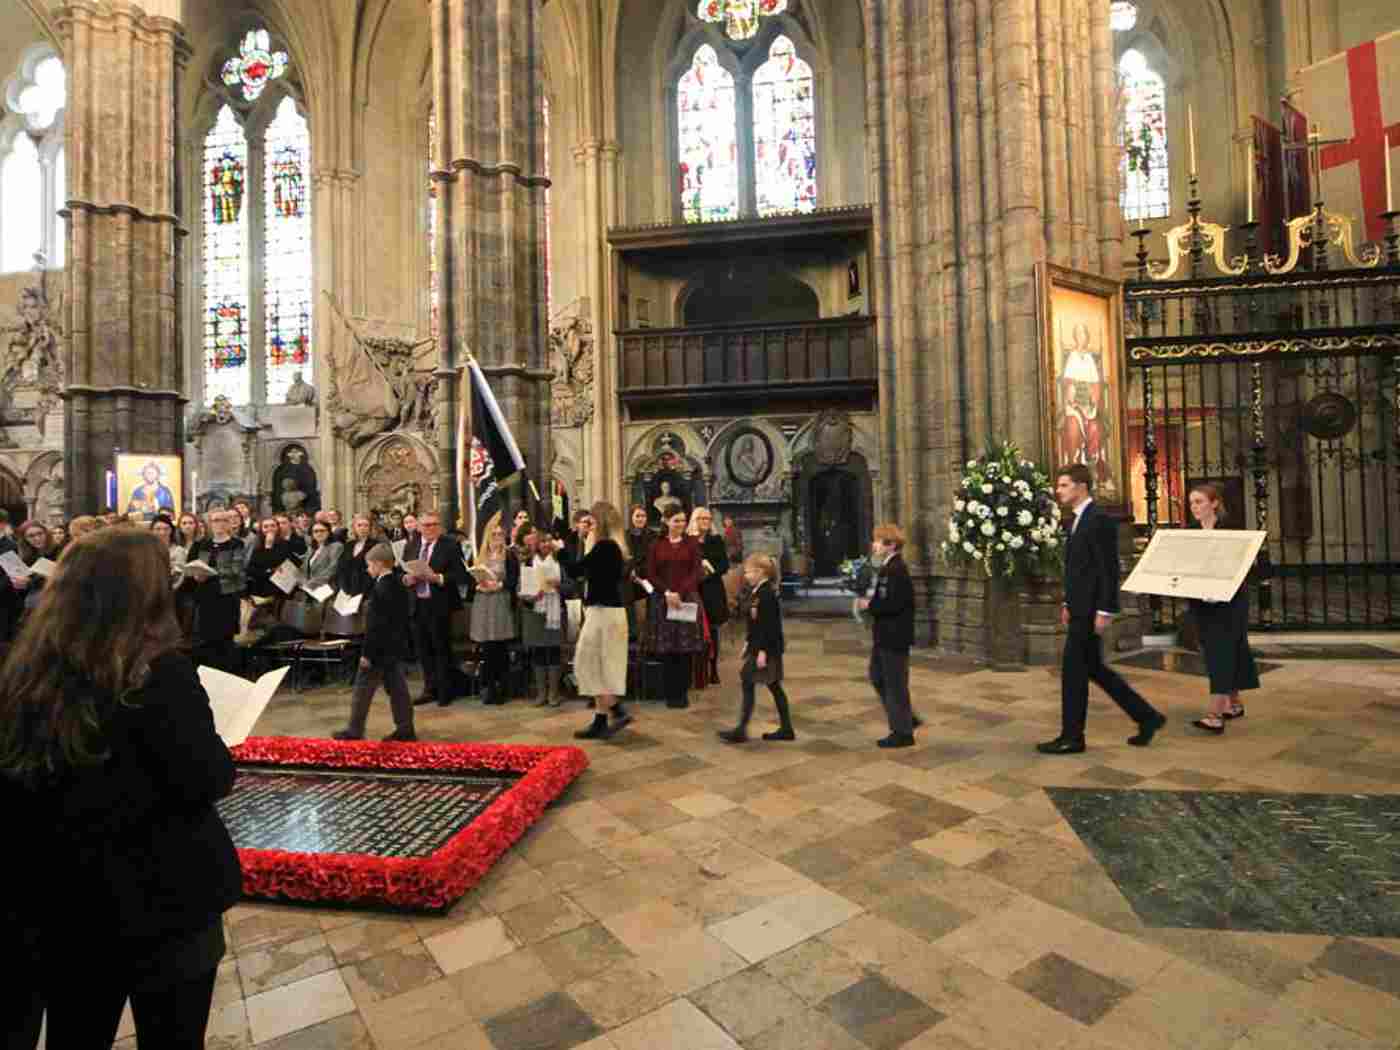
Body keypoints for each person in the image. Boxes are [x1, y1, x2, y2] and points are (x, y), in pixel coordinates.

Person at [0, 527, 240, 1048]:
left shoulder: (25, 670)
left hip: (63, 902)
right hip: (164, 901)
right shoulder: (160, 674)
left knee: (76, 1035)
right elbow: (205, 777)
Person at [1038, 464, 1165, 754]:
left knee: (1073, 672)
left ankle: (1072, 737)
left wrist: (1106, 610)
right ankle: (1147, 717)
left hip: (1092, 609)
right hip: (1080, 607)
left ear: (1081, 487)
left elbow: (1108, 570)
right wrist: (1068, 602)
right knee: (1093, 668)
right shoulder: (1078, 520)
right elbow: (1078, 570)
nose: (1058, 491)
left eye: (1064, 485)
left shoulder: (1099, 520)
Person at [1186, 483, 1259, 734]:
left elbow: (1243, 565)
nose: (1194, 507)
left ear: (1214, 503)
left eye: (1199, 502)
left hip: (1229, 604)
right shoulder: (1190, 532)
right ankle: (1234, 704)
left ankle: (1215, 715)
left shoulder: (1230, 530)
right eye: (1192, 502)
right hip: (1203, 605)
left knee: (1221, 653)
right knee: (1227, 651)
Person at [333, 544, 416, 742]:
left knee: (362, 690)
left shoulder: (382, 588)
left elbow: (376, 627)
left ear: (379, 564)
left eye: (369, 565)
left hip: (378, 650)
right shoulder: (396, 584)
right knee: (398, 690)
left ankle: (354, 730)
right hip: (394, 647)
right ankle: (405, 729)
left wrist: (367, 654)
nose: (368, 569)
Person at [567, 502, 632, 739]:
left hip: (604, 613)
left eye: (592, 521)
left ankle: (616, 709)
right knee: (595, 665)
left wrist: (561, 548)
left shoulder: (606, 547)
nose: (588, 525)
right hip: (604, 612)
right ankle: (602, 719)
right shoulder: (608, 547)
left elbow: (575, 570)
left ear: (600, 523)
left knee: (586, 663)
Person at [857, 524, 922, 748]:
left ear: (891, 545)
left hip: (894, 635)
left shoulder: (896, 569)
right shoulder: (886, 567)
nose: (874, 545)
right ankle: (906, 718)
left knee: (894, 683)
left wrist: (869, 605)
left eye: (878, 541)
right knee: (878, 676)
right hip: (884, 634)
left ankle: (902, 732)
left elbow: (893, 603)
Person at [719, 553, 794, 744]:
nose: (746, 575)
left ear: (760, 572)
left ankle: (742, 730)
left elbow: (769, 626)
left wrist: (762, 652)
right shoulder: (759, 591)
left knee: (756, 682)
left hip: (766, 649)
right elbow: (755, 623)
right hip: (760, 647)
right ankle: (785, 728)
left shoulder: (766, 594)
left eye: (748, 572)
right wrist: (748, 642)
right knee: (771, 685)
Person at [642, 508, 705, 708]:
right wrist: (668, 592)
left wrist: (679, 591)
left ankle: (683, 692)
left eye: (683, 521)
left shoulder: (692, 544)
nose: (680, 524)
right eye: (676, 521)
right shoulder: (656, 545)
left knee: (685, 648)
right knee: (668, 648)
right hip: (664, 600)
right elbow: (650, 574)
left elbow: (696, 572)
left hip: (686, 599)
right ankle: (670, 692)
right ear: (666, 521)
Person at [405, 512, 465, 707]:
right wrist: (406, 579)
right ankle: (429, 689)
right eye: (426, 525)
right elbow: (402, 571)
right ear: (419, 527)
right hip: (417, 603)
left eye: (434, 524)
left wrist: (437, 578)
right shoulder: (412, 545)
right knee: (423, 650)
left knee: (441, 648)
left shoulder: (450, 544)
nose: (430, 528)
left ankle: (445, 691)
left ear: (439, 526)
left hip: (440, 603)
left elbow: (460, 574)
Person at [182, 510, 246, 672]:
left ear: (229, 523)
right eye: (216, 520)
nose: (220, 524)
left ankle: (227, 676)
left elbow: (236, 570)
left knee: (225, 640)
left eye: (224, 520)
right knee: (205, 639)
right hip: (205, 598)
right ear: (210, 524)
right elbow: (190, 567)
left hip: (226, 598)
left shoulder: (236, 544)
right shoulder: (201, 544)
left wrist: (212, 573)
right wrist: (196, 576)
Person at [468, 520, 519, 706]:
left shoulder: (510, 556)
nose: (497, 538)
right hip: (483, 602)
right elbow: (471, 577)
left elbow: (514, 579)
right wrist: (478, 584)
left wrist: (499, 585)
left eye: (500, 534)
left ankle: (502, 688)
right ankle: (488, 687)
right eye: (494, 534)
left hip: (500, 601)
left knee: (500, 647)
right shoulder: (480, 555)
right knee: (487, 647)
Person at [519, 528, 568, 707]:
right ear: (536, 544)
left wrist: (559, 585)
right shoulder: (529, 563)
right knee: (539, 653)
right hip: (535, 613)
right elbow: (520, 589)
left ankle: (554, 694)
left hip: (555, 612)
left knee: (554, 652)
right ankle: (541, 694)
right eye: (542, 541)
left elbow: (572, 587)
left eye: (549, 541)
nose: (546, 544)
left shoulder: (560, 563)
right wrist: (530, 596)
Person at [688, 506, 730, 687]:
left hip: (712, 589)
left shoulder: (716, 540)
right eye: (701, 518)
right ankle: (697, 670)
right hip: (693, 589)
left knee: (712, 630)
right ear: (694, 520)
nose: (705, 521)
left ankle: (713, 669)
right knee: (693, 629)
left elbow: (724, 565)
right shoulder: (688, 541)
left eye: (708, 518)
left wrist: (709, 573)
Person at [625, 504, 656, 634]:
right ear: (631, 518)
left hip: (647, 576)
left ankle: (650, 632)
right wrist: (630, 572)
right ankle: (631, 633)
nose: (640, 519)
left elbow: (653, 559)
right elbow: (623, 556)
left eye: (643, 516)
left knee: (654, 595)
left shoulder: (653, 536)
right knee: (625, 592)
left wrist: (638, 572)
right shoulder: (624, 535)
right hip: (629, 577)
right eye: (637, 516)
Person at [335, 514, 376, 597]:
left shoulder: (375, 545)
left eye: (366, 525)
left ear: (370, 528)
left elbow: (375, 571)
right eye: (359, 525)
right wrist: (343, 588)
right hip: (346, 590)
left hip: (367, 591)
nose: (362, 528)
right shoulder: (348, 545)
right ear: (354, 528)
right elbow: (341, 568)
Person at [303, 520, 344, 591]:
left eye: (322, 530)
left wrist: (313, 582)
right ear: (312, 534)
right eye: (316, 531)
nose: (319, 533)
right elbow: (304, 568)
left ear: (328, 532)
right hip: (311, 590)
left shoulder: (336, 546)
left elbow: (333, 569)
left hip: (327, 589)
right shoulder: (311, 549)